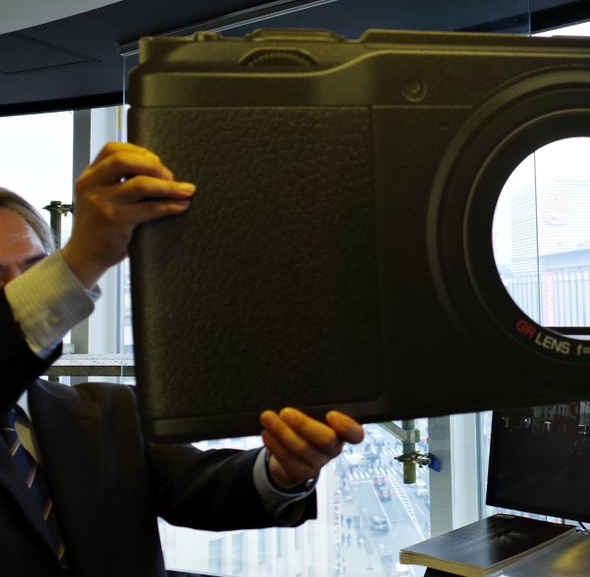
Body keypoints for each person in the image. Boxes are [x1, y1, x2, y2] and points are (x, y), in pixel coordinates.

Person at [1, 142, 365, 576]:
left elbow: (202, 486)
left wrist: (281, 472)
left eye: (35, 271)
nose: (14, 291)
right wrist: (83, 258)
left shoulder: (110, 411)